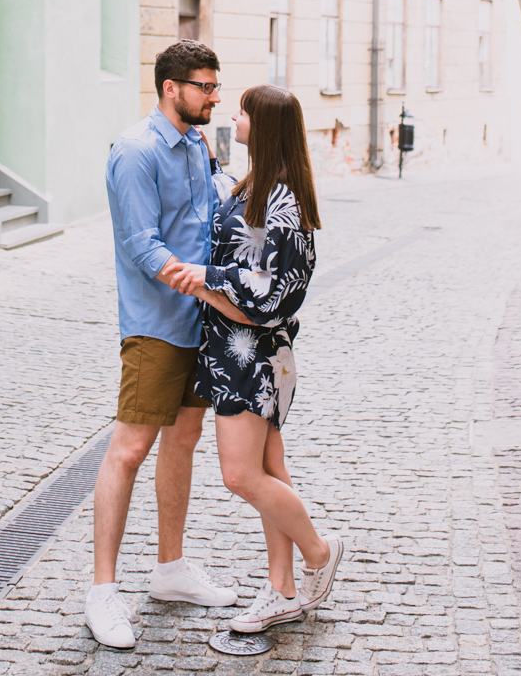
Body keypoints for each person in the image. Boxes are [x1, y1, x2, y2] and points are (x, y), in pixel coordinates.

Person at [168, 84, 343, 634]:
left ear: (262, 126)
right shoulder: (256, 184)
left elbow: (271, 294)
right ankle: (282, 591)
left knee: (241, 475)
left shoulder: (283, 200)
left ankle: (319, 552)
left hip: (253, 356)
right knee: (270, 470)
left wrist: (205, 280)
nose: (233, 117)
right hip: (236, 351)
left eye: (242, 111)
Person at [86, 40, 239, 650]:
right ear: (171, 88)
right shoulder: (136, 150)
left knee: (184, 440)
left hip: (199, 325)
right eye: (205, 86)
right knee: (129, 448)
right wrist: (208, 287)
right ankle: (102, 591)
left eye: (216, 85)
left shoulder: (198, 145)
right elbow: (142, 245)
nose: (215, 96)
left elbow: (210, 211)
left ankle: (171, 570)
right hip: (155, 326)